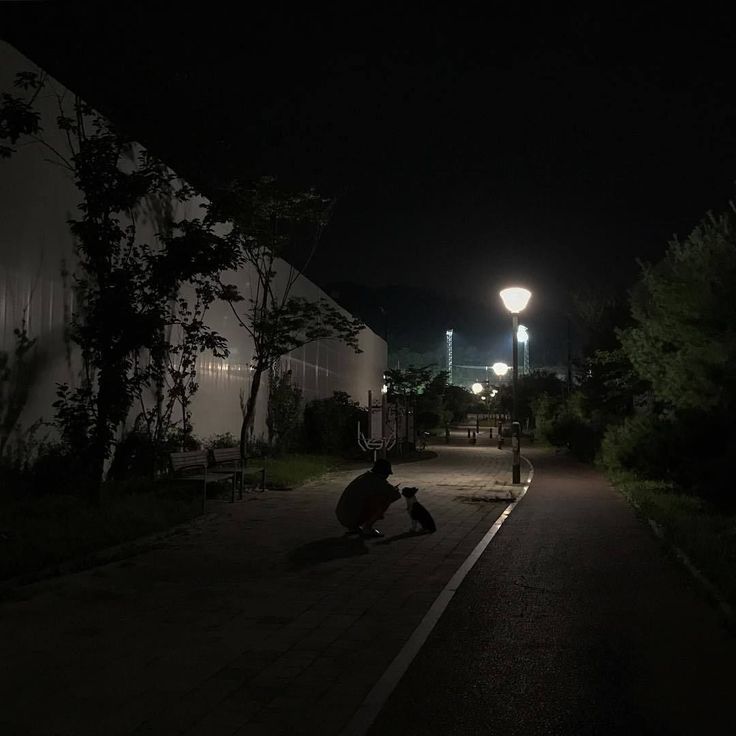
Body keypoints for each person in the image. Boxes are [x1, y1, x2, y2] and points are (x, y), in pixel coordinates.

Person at [335, 458, 401, 538]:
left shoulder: (365, 477)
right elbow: (396, 495)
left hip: (342, 515)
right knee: (385, 499)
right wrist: (393, 490)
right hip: (351, 517)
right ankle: (367, 527)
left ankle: (353, 527)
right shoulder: (377, 481)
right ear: (384, 473)